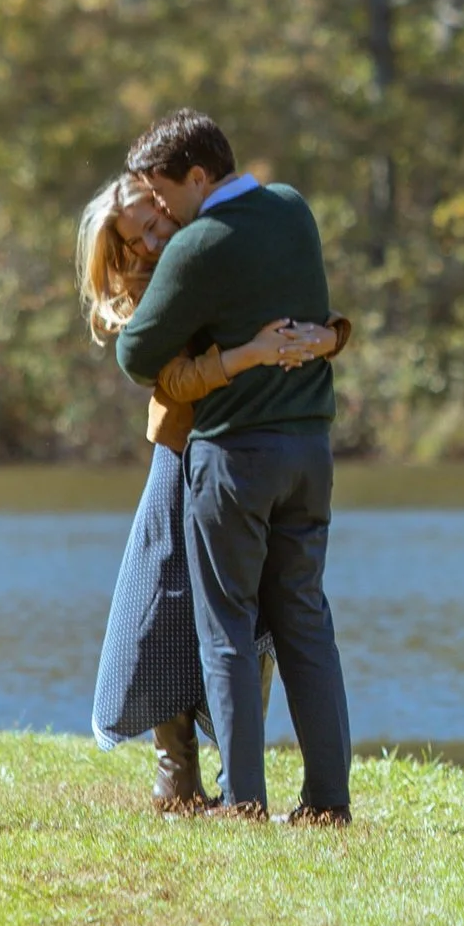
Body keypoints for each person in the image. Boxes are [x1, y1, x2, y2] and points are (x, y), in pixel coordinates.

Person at [77, 173, 347, 812]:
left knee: (246, 621)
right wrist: (247, 356)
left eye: (155, 216)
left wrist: (331, 333)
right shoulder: (156, 281)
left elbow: (284, 299)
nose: (155, 233)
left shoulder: (213, 241)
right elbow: (170, 376)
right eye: (141, 232)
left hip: (245, 451)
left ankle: (236, 784)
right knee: (166, 610)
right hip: (186, 451)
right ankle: (178, 774)